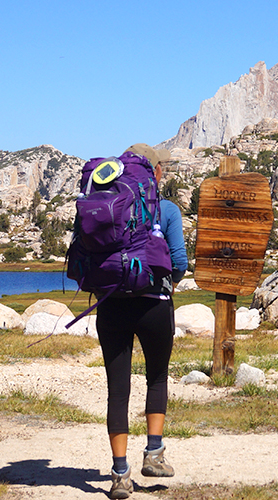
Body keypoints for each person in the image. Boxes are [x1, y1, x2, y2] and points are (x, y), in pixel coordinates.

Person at [96, 143, 188, 499]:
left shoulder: (105, 207)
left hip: (111, 307)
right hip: (154, 306)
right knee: (157, 376)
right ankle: (154, 453)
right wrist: (166, 283)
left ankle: (120, 475)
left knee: (117, 390)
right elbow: (179, 261)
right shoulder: (166, 209)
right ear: (158, 172)